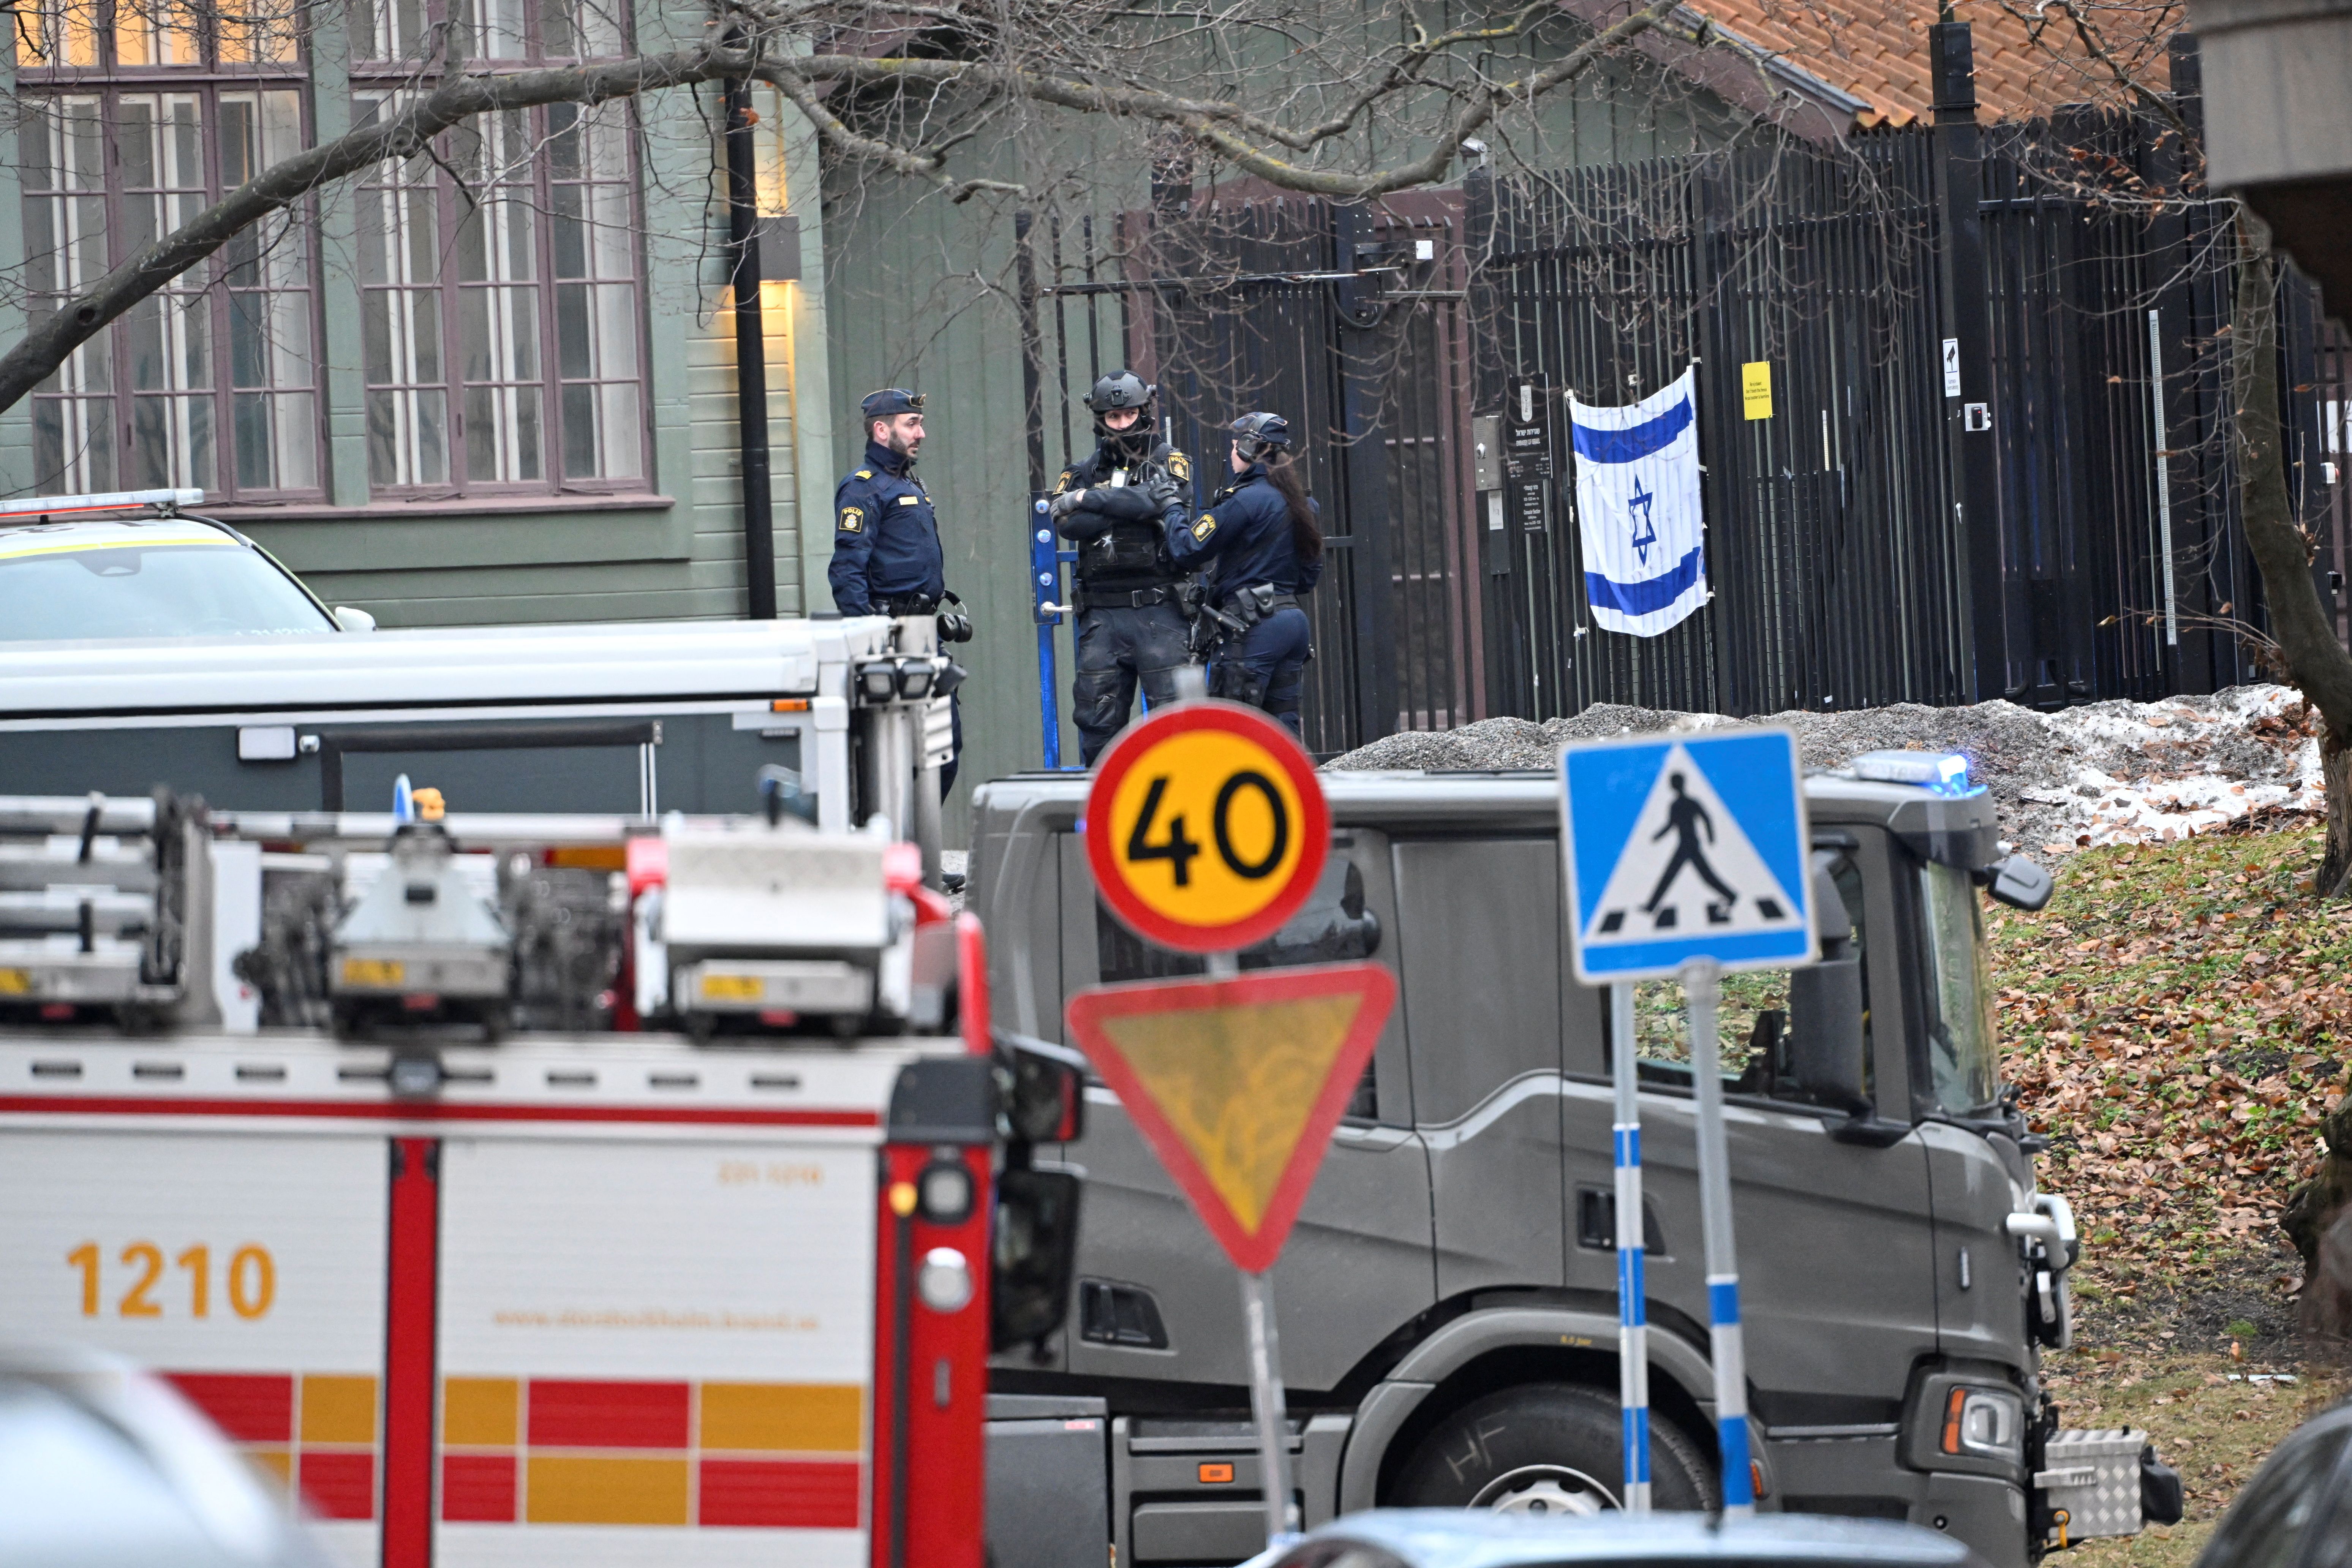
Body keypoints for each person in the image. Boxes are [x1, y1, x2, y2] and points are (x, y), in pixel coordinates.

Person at [1047, 371, 1197, 765]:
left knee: (1177, 727)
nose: (1122, 423)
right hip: (1103, 616)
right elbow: (1068, 525)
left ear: (1144, 412)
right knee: (1098, 728)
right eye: (1113, 417)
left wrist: (1089, 500)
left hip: (1160, 611)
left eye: (1129, 414)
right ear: (1101, 419)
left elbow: (1164, 500)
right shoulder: (1080, 471)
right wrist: (1135, 505)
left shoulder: (1170, 461)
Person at [830, 387, 967, 794]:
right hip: (892, 636)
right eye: (911, 424)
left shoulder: (908, 484)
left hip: (924, 634)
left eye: (920, 424)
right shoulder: (863, 489)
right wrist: (872, 636)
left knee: (943, 751)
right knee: (895, 757)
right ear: (881, 430)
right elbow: (846, 572)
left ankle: (915, 836)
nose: (920, 433)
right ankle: (892, 835)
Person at [1166, 411, 1321, 737]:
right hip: (1292, 623)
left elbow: (1188, 549)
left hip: (1251, 629)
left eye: (1234, 445)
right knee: (1283, 731)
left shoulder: (1244, 501)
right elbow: (1308, 577)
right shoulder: (1305, 504)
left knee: (1231, 731)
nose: (1232, 453)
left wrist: (1172, 508)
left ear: (1250, 448)